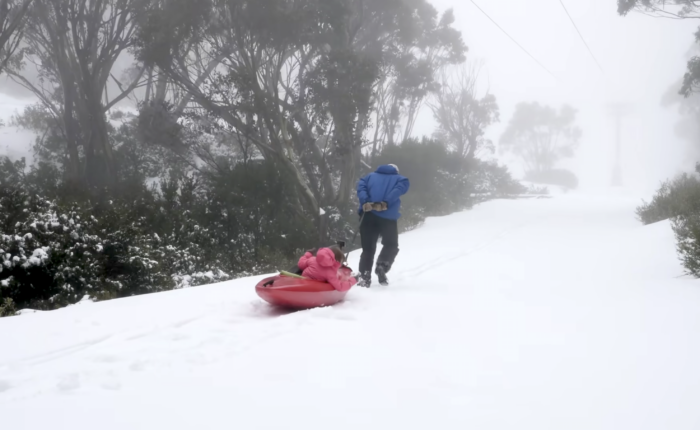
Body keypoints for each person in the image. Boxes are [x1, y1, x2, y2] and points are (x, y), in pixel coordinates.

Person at [356, 163, 410, 287]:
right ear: (396, 171)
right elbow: (399, 190)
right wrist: (385, 202)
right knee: (391, 244)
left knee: (368, 249)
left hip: (367, 215)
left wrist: (365, 201)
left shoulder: (369, 177)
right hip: (388, 217)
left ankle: (364, 278)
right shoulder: (401, 179)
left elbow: (361, 187)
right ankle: (382, 265)